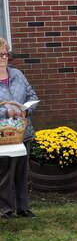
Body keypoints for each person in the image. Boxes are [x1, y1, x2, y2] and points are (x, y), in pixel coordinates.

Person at [0, 37, 38, 219]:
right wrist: (5, 112)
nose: (4, 57)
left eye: (6, 54)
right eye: (0, 54)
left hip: (23, 132)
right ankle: (6, 209)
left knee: (22, 172)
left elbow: (32, 95)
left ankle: (24, 207)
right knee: (5, 172)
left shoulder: (18, 75)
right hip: (3, 135)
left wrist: (26, 109)